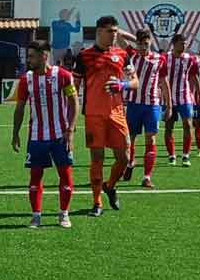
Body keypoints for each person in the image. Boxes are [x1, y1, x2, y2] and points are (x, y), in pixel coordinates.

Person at [72, 16, 139, 217]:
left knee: (124, 158)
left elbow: (135, 82)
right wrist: (71, 117)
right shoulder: (84, 56)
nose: (114, 35)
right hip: (93, 114)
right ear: (99, 31)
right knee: (97, 158)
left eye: (116, 31)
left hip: (117, 113)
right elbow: (74, 88)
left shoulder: (122, 54)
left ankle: (109, 186)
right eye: (110, 31)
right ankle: (97, 202)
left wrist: (123, 85)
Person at [12, 40, 78, 228]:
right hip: (36, 136)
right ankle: (36, 215)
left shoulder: (64, 75)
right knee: (35, 177)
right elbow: (19, 108)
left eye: (32, 56)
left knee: (65, 175)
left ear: (44, 55)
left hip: (60, 135)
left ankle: (64, 214)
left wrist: (70, 130)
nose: (29, 60)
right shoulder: (26, 80)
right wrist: (15, 133)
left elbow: (74, 102)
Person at [122, 30, 171, 188]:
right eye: (140, 43)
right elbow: (118, 35)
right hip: (133, 104)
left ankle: (147, 177)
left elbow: (164, 82)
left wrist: (169, 105)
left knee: (151, 138)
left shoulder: (160, 59)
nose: (143, 46)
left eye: (146, 43)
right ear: (136, 43)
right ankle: (130, 163)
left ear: (150, 42)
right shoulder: (131, 55)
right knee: (130, 139)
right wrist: (133, 38)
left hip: (152, 105)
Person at [164, 34, 200, 167]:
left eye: (185, 43)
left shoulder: (190, 59)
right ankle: (171, 155)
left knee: (188, 124)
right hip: (169, 98)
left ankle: (186, 155)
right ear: (174, 44)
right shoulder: (165, 58)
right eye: (181, 43)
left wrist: (199, 95)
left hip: (185, 97)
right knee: (169, 127)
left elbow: (194, 76)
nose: (184, 45)